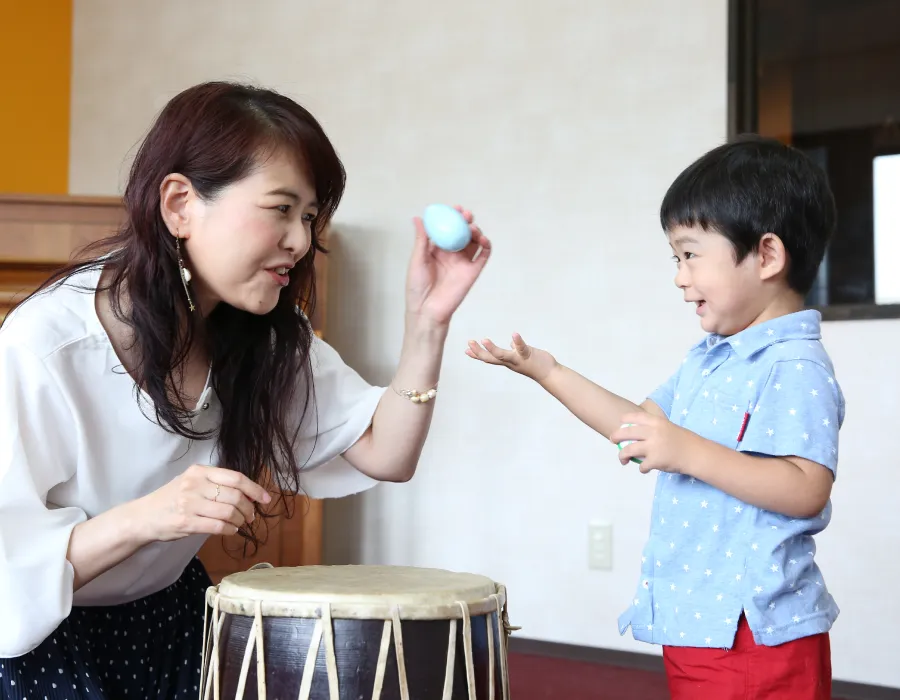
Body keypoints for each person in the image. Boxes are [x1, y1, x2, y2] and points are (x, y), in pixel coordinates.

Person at [0, 81, 490, 698]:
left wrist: (428, 323)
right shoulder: (46, 345)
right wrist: (149, 517)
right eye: (281, 209)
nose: (301, 241)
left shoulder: (261, 335)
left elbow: (386, 453)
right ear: (179, 204)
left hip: (171, 618)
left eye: (310, 217)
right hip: (46, 645)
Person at [468, 135, 842, 699]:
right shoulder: (713, 357)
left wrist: (686, 450)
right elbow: (639, 427)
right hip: (698, 619)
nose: (679, 276)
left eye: (690, 255)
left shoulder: (794, 363)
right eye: (676, 258)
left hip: (756, 633)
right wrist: (550, 373)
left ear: (766, 255)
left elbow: (806, 486)